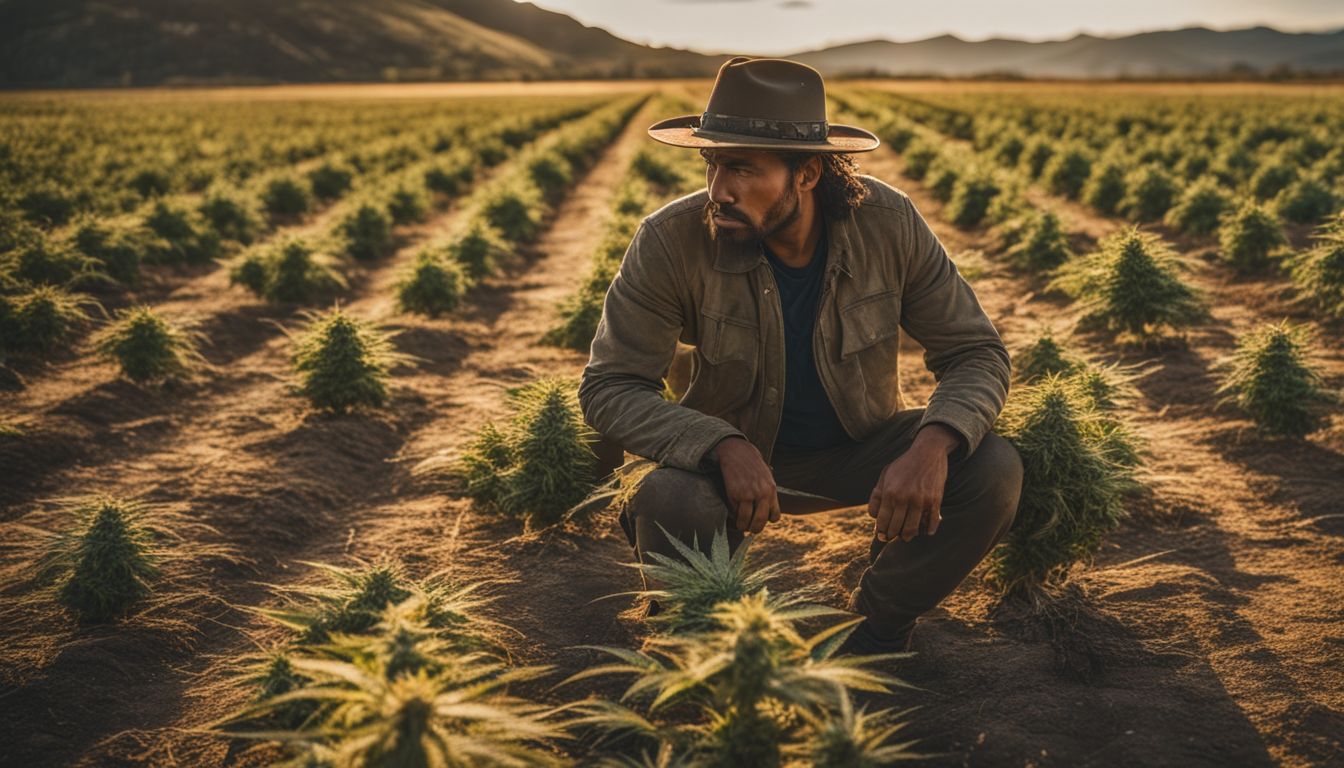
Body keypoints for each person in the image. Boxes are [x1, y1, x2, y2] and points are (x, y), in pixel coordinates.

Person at [577, 56, 1023, 655]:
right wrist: (719, 444)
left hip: (857, 447)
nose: (719, 191)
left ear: (808, 174)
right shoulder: (670, 240)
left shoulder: (889, 226)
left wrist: (932, 445)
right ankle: (704, 638)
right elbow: (611, 385)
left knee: (992, 467)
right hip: (725, 463)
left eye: (741, 168)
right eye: (712, 165)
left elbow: (975, 350)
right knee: (668, 497)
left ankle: (875, 631)